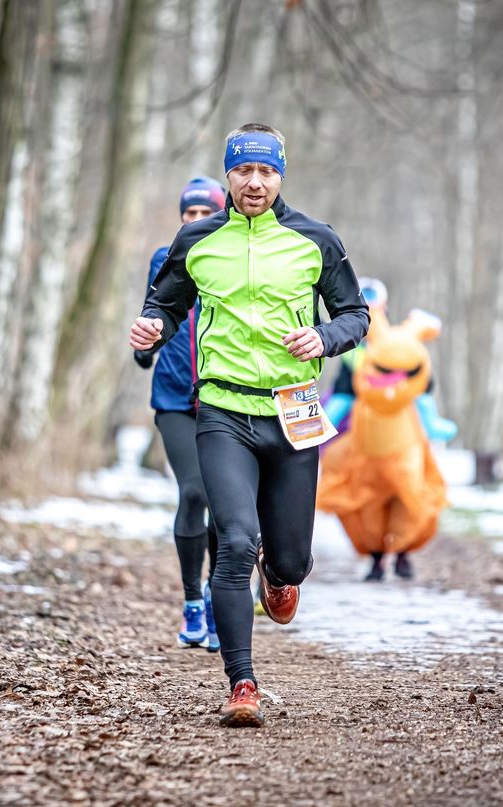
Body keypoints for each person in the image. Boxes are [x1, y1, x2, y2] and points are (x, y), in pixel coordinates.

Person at [130, 123, 369, 727]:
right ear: (229, 176)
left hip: (292, 414)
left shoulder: (315, 239)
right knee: (234, 542)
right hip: (223, 411)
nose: (254, 182)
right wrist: (152, 325)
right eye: (243, 171)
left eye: (265, 172)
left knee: (289, 560)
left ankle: (282, 577)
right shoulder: (198, 239)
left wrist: (324, 335)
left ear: (280, 175)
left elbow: (355, 315)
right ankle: (242, 684)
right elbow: (165, 299)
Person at [134, 177, 226, 652]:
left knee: (223, 500)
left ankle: (217, 596)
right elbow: (155, 309)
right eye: (187, 215)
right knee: (193, 491)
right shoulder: (164, 257)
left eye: (202, 214)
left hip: (221, 397)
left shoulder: (233, 260)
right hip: (173, 397)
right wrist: (145, 348)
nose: (193, 221)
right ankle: (193, 601)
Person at [323, 278, 456, 582]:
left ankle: (404, 552)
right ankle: (376, 557)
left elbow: (422, 387)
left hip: (404, 436)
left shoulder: (400, 344)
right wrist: (324, 425)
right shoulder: (352, 348)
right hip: (364, 438)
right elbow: (343, 391)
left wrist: (432, 423)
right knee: (366, 498)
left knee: (409, 495)